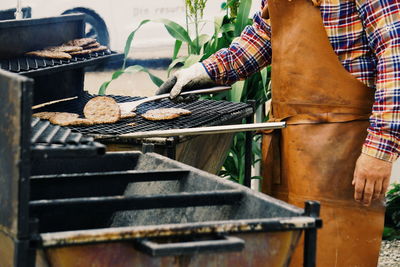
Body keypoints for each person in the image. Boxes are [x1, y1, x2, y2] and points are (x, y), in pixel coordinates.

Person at [157, 0, 399, 266]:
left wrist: (380, 151)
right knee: (288, 251)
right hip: (289, 144)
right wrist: (203, 70)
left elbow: (394, 56)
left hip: (344, 148)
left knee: (333, 253)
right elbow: (263, 35)